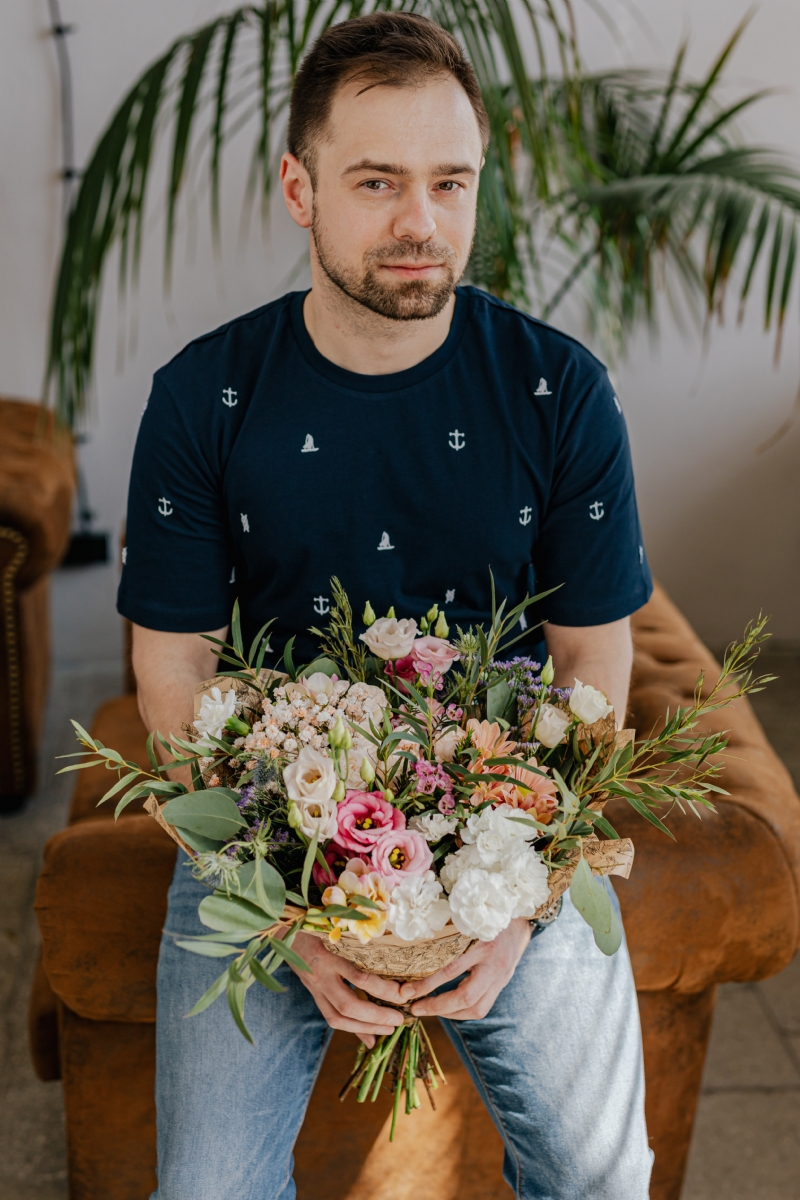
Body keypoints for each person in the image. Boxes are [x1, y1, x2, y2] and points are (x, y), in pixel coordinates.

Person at [119, 11, 654, 1199]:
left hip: (513, 805)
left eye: (448, 182)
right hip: (270, 817)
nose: (420, 223)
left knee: (602, 1175)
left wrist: (527, 897)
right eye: (376, 182)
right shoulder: (201, 397)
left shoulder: (559, 390)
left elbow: (590, 655)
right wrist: (285, 910)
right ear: (299, 188)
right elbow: (172, 665)